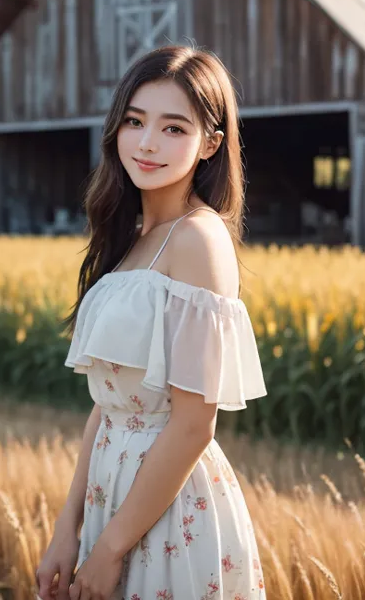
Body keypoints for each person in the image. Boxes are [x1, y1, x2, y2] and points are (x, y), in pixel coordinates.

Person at [36, 45, 268, 600]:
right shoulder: (135, 237)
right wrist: (67, 527)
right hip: (108, 497)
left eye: (173, 127)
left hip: (165, 512)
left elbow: (193, 423)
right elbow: (110, 404)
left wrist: (112, 547)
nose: (146, 142)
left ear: (210, 144)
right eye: (135, 121)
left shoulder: (198, 238)